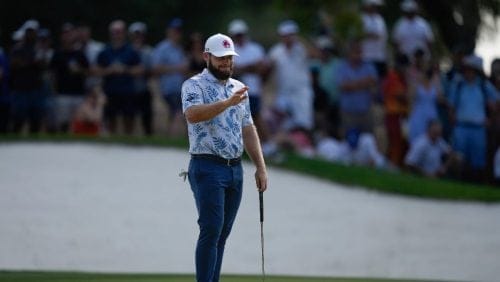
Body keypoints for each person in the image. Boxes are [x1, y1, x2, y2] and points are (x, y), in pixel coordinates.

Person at [181, 33, 267, 282]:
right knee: (210, 230)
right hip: (207, 166)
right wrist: (227, 103)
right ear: (207, 56)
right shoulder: (193, 85)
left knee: (222, 235)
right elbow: (193, 115)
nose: (227, 64)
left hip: (234, 169)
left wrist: (260, 167)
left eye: (230, 59)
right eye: (221, 59)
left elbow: (248, 128)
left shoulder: (239, 88)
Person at [448, 54, 499, 183]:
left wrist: (491, 119)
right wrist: (453, 119)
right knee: (459, 158)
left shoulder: (483, 86)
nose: (467, 72)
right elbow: (451, 105)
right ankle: (457, 182)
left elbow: (496, 101)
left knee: (478, 161)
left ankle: (476, 183)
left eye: (470, 69)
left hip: (478, 128)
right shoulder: (458, 85)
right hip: (461, 127)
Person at [95, 20, 142, 134]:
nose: (117, 34)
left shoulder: (131, 51)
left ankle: (128, 143)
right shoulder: (104, 51)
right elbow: (96, 70)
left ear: (124, 33)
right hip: (110, 90)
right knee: (111, 118)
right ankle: (113, 145)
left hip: (127, 91)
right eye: (115, 32)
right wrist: (109, 70)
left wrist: (124, 69)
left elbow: (140, 69)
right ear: (111, 33)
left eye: (119, 32)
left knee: (129, 118)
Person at [268, 20, 314, 131]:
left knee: (304, 122)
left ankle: (304, 144)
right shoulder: (275, 51)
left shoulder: (302, 48)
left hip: (301, 91)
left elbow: (315, 54)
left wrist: (300, 41)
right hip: (283, 92)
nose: (287, 38)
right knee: (284, 122)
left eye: (290, 35)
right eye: (285, 36)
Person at [228, 19, 268, 137]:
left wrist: (242, 69)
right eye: (236, 35)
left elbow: (262, 69)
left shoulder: (255, 48)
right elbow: (231, 71)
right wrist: (251, 67)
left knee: (255, 117)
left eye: (240, 34)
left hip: (254, 89)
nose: (239, 37)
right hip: (235, 92)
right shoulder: (230, 50)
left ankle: (264, 143)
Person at [49, 23, 89, 132]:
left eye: (70, 33)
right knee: (63, 122)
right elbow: (52, 74)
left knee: (79, 122)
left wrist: (79, 70)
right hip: (62, 93)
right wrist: (54, 91)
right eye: (65, 33)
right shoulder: (57, 54)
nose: (68, 36)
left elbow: (88, 72)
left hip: (78, 93)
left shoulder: (80, 53)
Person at [152, 18, 188, 137]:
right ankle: (172, 137)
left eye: (179, 31)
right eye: (175, 30)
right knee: (177, 113)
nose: (177, 33)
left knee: (174, 115)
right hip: (167, 88)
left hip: (179, 88)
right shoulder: (162, 48)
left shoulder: (180, 49)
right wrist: (177, 68)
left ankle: (169, 137)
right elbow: (156, 68)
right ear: (169, 31)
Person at [129, 21, 154, 136]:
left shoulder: (149, 51)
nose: (138, 37)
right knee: (130, 117)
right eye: (136, 34)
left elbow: (152, 70)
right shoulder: (127, 50)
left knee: (146, 118)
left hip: (144, 88)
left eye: (140, 34)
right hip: (129, 89)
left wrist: (142, 70)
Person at [360, 0, 388, 78]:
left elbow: (383, 37)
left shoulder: (380, 19)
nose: (375, 8)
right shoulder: (361, 18)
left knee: (380, 81)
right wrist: (370, 35)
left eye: (376, 6)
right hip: (366, 57)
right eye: (373, 5)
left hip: (380, 57)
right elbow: (358, 35)